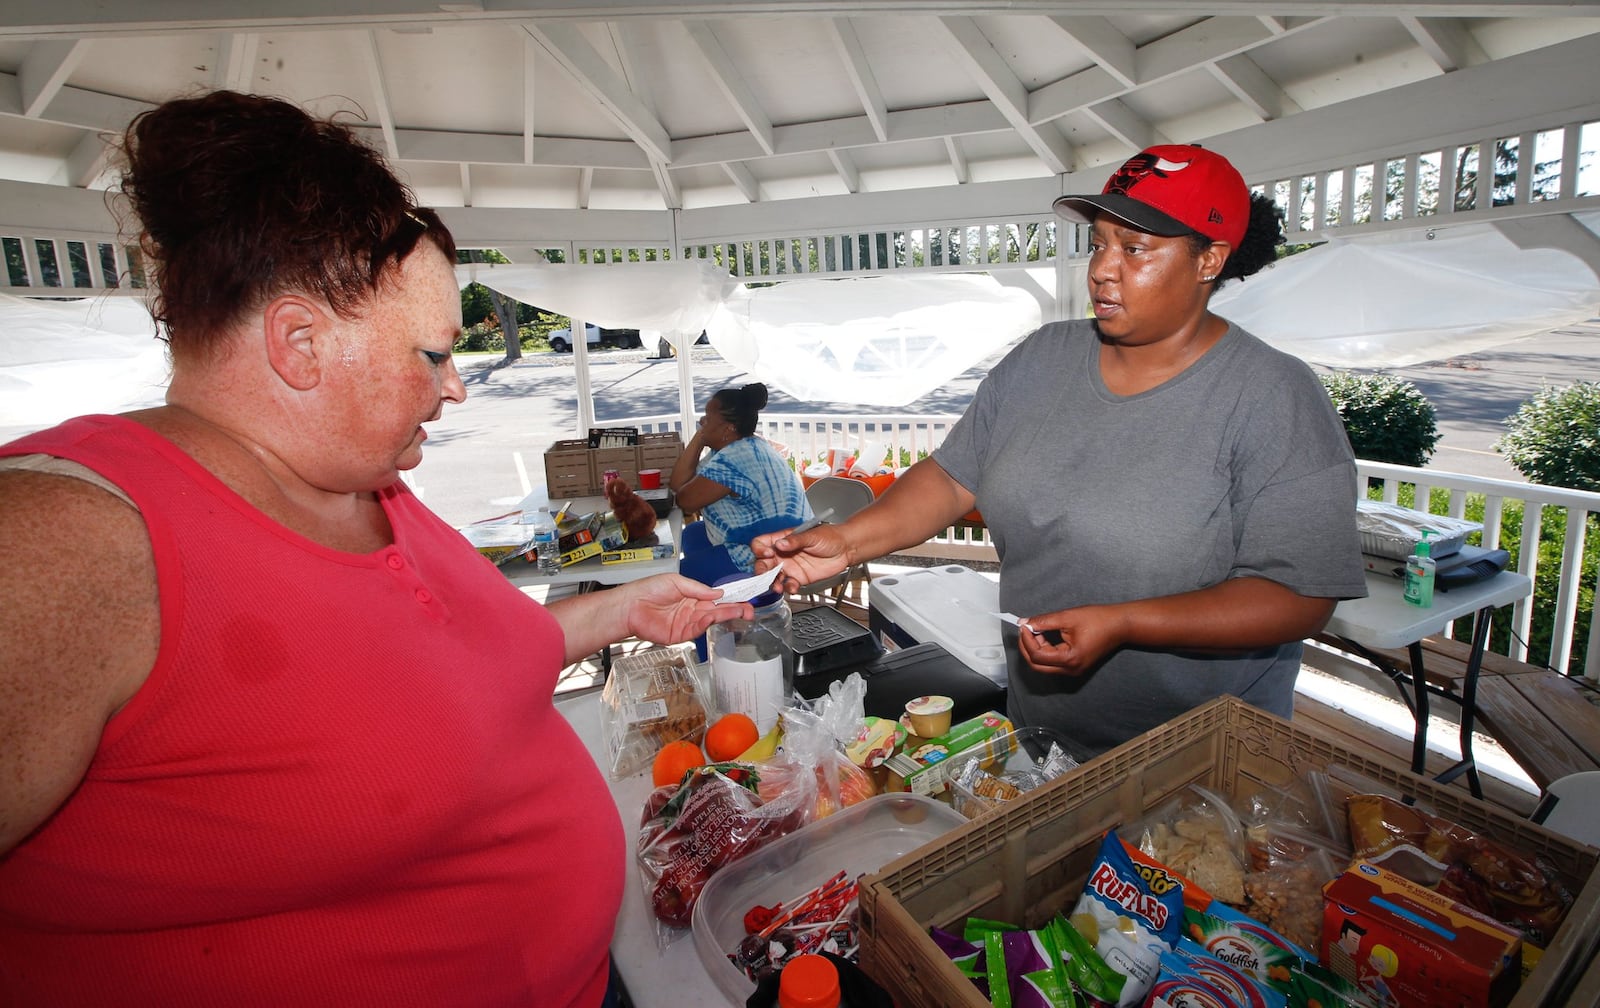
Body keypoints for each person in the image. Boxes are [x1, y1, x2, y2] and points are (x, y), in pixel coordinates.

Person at [0, 90, 752, 1008]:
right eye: (433, 356)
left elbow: (444, 676)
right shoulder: (62, 542)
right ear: (300, 345)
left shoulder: (362, 482)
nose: (457, 387)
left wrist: (615, 611)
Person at [756, 144, 1366, 760]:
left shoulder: (1273, 396)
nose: (1103, 269)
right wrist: (849, 541)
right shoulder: (1041, 359)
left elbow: (1299, 597)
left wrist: (1125, 622)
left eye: (1135, 249)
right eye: (1099, 243)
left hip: (1198, 753)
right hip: (1042, 731)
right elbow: (952, 477)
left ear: (1208, 260)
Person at [670, 382, 812, 587]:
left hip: (766, 556)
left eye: (707, 419)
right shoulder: (740, 446)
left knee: (676, 578)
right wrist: (702, 436)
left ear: (728, 428)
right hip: (772, 541)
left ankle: (732, 594)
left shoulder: (738, 457)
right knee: (692, 534)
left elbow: (685, 501)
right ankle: (719, 590)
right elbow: (679, 483)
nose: (702, 422)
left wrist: (701, 436)